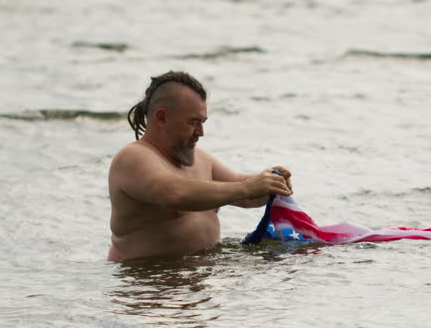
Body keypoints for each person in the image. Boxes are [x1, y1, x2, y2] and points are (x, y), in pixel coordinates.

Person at [107, 71, 292, 262]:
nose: (201, 132)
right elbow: (173, 193)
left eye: (202, 122)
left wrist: (272, 184)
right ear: (161, 118)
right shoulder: (133, 158)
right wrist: (247, 188)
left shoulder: (202, 160)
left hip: (197, 281)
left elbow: (246, 195)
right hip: (144, 284)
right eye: (193, 122)